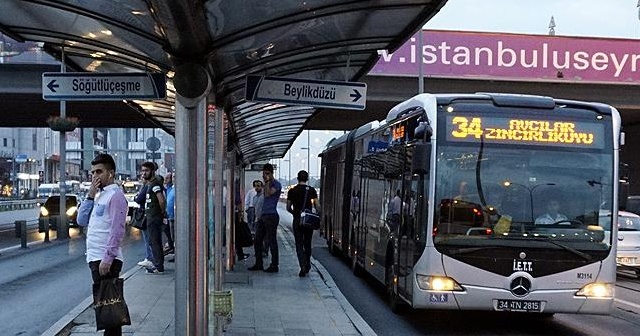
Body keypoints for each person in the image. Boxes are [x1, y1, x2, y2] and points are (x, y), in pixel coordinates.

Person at [77, 154, 128, 336]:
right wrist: (90, 194)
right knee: (106, 310)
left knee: (110, 311)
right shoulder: (100, 196)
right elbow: (81, 220)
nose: (95, 176)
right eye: (92, 173)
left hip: (106, 260)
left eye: (99, 171)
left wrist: (107, 258)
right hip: (95, 257)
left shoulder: (116, 196)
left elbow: (117, 229)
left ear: (111, 173)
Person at [248, 163, 282, 273]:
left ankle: (274, 264)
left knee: (271, 240)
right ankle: (259, 263)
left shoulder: (276, 184)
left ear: (272, 173)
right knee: (257, 240)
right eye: (263, 174)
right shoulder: (265, 184)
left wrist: (267, 182)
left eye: (267, 173)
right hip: (263, 215)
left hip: (271, 215)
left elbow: (267, 194)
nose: (264, 176)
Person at [287, 170, 320, 277]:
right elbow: (317, 206)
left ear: (297, 178)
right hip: (308, 220)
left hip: (297, 220)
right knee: (307, 243)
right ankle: (308, 262)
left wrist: (295, 213)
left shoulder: (292, 191)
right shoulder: (311, 190)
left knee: (299, 244)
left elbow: (288, 207)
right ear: (307, 179)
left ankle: (302, 266)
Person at [141, 161, 167, 274]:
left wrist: (161, 212)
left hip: (154, 217)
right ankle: (158, 264)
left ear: (152, 171)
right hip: (151, 216)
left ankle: (158, 266)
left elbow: (161, 200)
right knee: (154, 241)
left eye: (146, 171)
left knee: (154, 241)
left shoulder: (155, 184)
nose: (144, 173)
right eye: (142, 171)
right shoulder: (150, 184)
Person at [135, 181, 154, 268]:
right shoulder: (150, 186)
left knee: (147, 238)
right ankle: (152, 258)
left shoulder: (146, 187)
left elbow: (138, 199)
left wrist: (136, 197)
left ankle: (150, 258)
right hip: (150, 215)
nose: (142, 176)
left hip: (145, 215)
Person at [165, 172, 176, 262]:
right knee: (172, 236)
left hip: (175, 217)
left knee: (175, 236)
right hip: (170, 216)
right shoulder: (171, 188)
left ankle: (176, 254)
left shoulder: (177, 188)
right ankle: (174, 252)